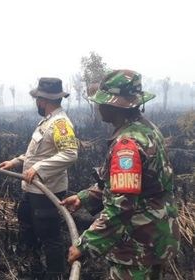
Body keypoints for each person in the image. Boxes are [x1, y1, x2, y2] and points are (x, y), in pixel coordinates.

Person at [61, 70, 180, 280]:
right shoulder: (148, 130)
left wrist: (86, 244)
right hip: (156, 239)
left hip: (137, 247)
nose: (98, 107)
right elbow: (134, 184)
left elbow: (121, 205)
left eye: (101, 102)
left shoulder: (127, 144)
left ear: (113, 105)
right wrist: (84, 197)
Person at [0, 78, 78, 279]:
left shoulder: (60, 124)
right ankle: (33, 269)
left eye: (38, 99)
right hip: (32, 189)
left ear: (42, 100)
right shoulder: (47, 121)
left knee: (50, 236)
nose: (37, 103)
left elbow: (70, 153)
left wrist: (39, 168)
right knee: (27, 224)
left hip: (47, 191)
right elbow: (39, 153)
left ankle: (55, 275)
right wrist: (16, 161)